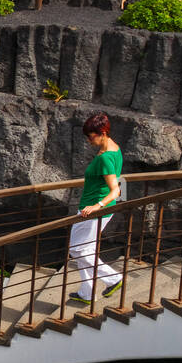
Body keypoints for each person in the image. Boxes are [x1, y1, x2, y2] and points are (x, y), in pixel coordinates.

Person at [68, 113, 124, 304]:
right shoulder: (115, 149)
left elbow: (116, 191)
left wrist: (95, 206)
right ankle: (87, 292)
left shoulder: (105, 158)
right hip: (97, 209)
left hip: (94, 210)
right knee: (86, 249)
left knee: (77, 249)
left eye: (90, 136)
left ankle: (113, 278)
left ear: (102, 132)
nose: (88, 140)